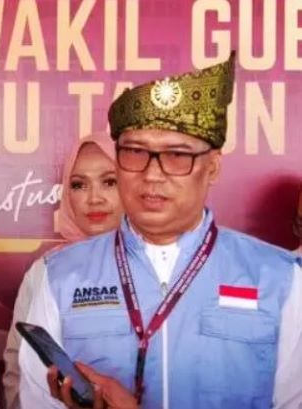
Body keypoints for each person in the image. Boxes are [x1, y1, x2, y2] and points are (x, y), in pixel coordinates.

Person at [19, 53, 302, 409]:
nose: (152, 174)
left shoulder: (278, 278)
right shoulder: (60, 276)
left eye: (177, 155)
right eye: (135, 152)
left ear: (213, 168)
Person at [2, 132, 123, 409]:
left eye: (109, 182)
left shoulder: (157, 265)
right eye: (79, 185)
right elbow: (17, 366)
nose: (94, 198)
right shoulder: (46, 269)